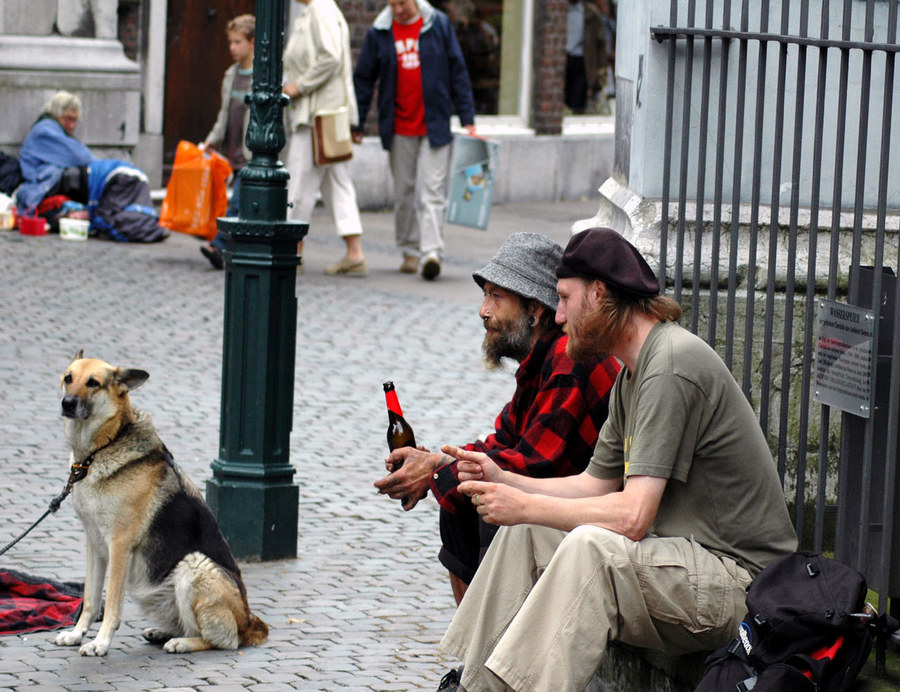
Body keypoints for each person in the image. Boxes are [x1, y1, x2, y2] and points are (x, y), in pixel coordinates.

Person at [439, 227, 798, 692]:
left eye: (565, 299)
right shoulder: (633, 371)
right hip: (682, 562)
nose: (559, 315)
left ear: (600, 293)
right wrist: (505, 479)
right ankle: (474, 682)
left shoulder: (671, 365)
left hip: (739, 586)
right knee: (526, 531)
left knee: (592, 549)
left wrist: (524, 503)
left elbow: (632, 516)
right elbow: (593, 485)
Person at [375, 232, 621, 606]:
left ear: (535, 310)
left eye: (496, 296)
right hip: (561, 509)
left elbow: (534, 466)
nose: (483, 310)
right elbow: (501, 443)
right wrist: (434, 464)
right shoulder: (539, 363)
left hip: (593, 521)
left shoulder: (569, 360)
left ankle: (487, 657)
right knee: (457, 502)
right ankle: (477, 656)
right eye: (484, 295)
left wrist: (439, 468)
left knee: (483, 507)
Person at [353, 0, 476, 281]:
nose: (397, 9)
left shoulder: (438, 24)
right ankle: (409, 250)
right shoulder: (380, 31)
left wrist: (467, 116)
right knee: (404, 192)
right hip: (398, 126)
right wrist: (357, 122)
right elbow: (363, 79)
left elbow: (458, 70)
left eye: (402, 3)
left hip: (435, 124)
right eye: (392, 3)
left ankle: (431, 253)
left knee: (432, 191)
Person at [283, 0, 368, 277]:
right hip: (329, 114)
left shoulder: (320, 9)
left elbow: (330, 58)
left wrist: (300, 86)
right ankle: (354, 252)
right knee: (337, 182)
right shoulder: (321, 9)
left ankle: (293, 250)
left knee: (299, 179)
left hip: (316, 114)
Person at [17, 91, 166, 242]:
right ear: (56, 115)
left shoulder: (55, 130)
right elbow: (81, 157)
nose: (71, 125)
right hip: (44, 183)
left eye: (75, 120)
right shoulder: (45, 130)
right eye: (67, 119)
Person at [199, 14, 255, 270]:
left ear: (252, 42)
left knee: (236, 204)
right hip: (233, 152)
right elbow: (224, 114)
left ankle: (219, 246)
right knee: (240, 206)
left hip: (251, 155)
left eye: (237, 42)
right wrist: (212, 140)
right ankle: (235, 249)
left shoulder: (262, 77)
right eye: (230, 42)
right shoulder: (231, 74)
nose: (232, 48)